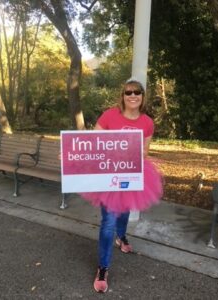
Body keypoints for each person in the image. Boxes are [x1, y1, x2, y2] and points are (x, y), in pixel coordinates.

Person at [81, 78, 163, 293]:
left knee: (126, 210)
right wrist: (73, 153)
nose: (133, 95)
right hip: (108, 172)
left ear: (142, 96)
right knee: (108, 220)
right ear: (123, 96)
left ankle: (122, 235)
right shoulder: (110, 115)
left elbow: (145, 151)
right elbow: (92, 141)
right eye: (129, 92)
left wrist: (132, 149)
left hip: (133, 172)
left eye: (137, 92)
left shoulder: (147, 122)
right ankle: (103, 268)